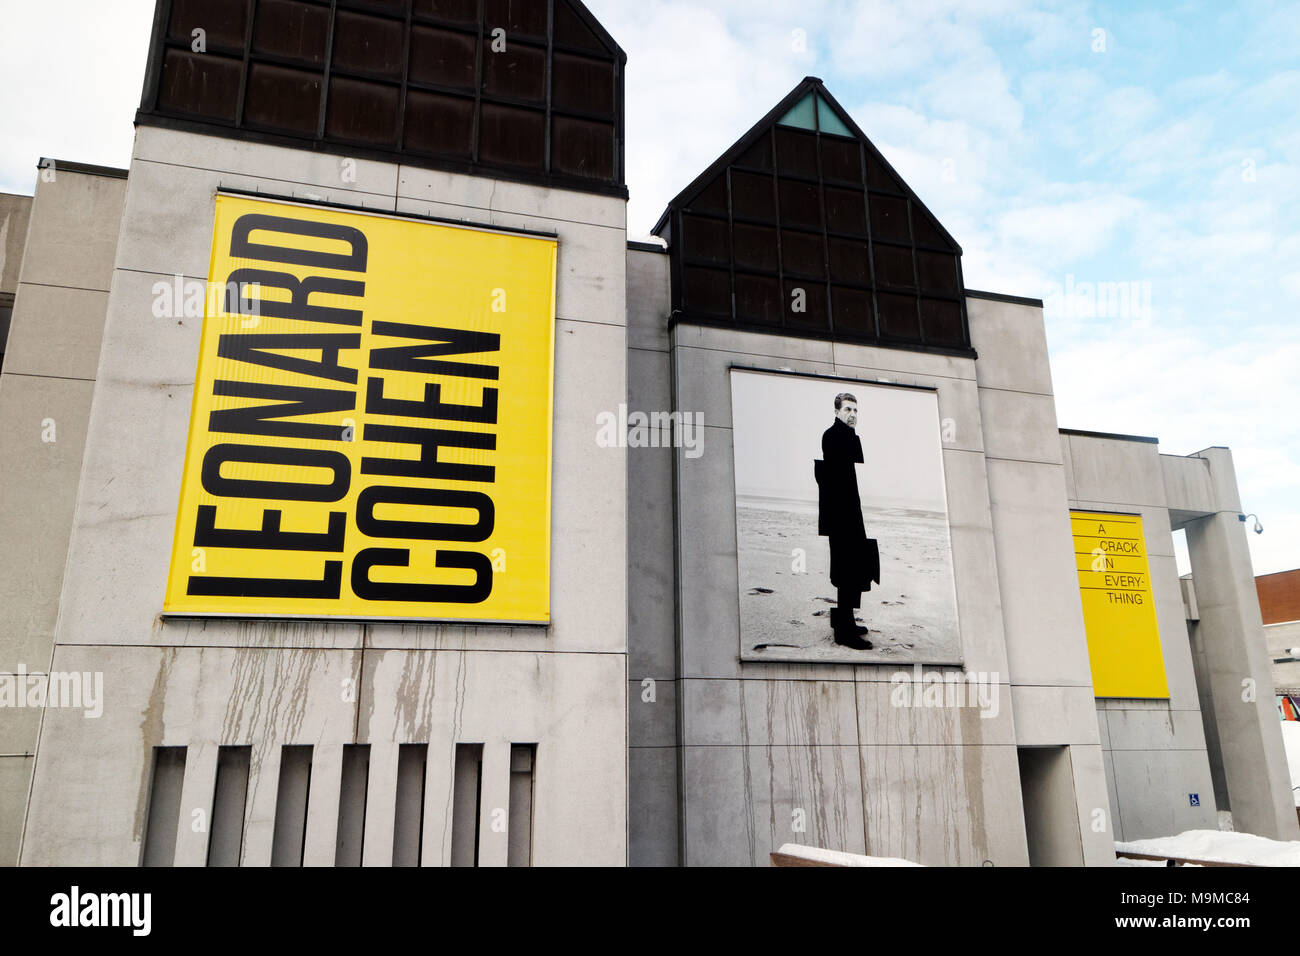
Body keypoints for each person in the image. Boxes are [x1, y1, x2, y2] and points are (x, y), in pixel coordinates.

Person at [816, 392, 879, 650]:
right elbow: (833, 482)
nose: (852, 415)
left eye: (855, 411)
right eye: (848, 410)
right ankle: (843, 631)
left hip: (849, 513)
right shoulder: (833, 436)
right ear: (836, 411)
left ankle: (846, 620)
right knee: (846, 571)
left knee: (854, 569)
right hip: (841, 516)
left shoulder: (842, 435)